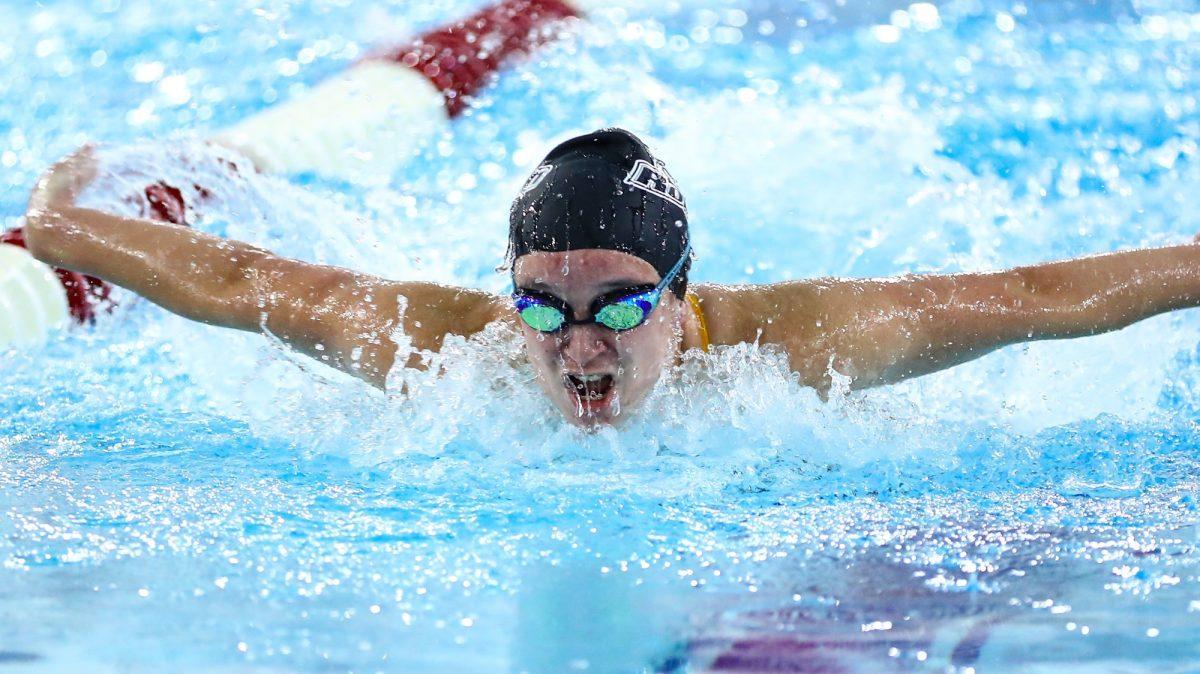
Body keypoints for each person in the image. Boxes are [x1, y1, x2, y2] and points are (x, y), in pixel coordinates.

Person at [21, 127, 1200, 427]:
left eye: (624, 308)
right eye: (543, 307)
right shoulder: (444, 351)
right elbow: (235, 278)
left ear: (686, 297)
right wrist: (61, 226)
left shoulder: (793, 351)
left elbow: (1038, 299)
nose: (580, 346)